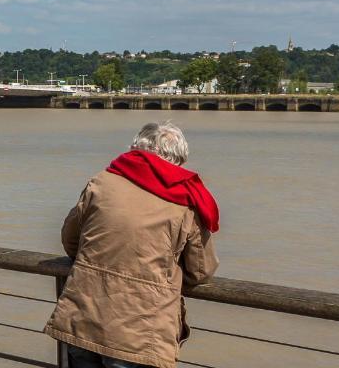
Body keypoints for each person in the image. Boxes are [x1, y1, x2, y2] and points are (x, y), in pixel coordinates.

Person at [45, 122, 219, 368]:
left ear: (136, 149)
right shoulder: (186, 200)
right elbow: (201, 271)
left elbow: (70, 240)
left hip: (83, 316)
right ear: (179, 159)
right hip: (140, 331)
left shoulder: (102, 181)